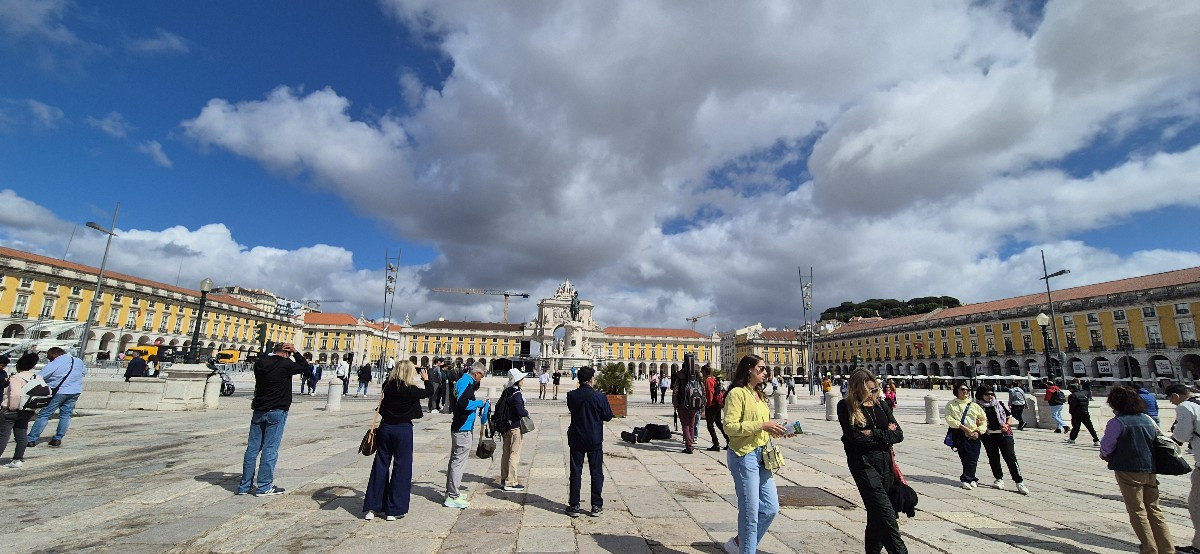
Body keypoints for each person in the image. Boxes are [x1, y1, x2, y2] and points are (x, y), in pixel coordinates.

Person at [722, 354, 787, 554]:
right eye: (761, 368)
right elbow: (729, 427)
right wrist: (762, 425)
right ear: (749, 369)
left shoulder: (760, 395)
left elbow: (762, 427)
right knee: (750, 513)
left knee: (770, 508)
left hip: (762, 455)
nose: (765, 372)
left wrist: (779, 430)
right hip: (744, 455)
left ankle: (738, 544)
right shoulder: (737, 394)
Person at [838, 369, 907, 554]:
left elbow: (899, 435)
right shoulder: (845, 406)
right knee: (887, 515)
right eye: (869, 390)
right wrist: (885, 436)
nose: (873, 393)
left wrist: (872, 433)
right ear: (857, 389)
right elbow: (854, 438)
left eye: (875, 389)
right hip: (863, 464)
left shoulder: (881, 405)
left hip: (886, 464)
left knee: (877, 514)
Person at [1100, 385, 1174, 554]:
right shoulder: (1147, 419)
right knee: (1155, 509)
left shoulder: (1117, 422)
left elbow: (1106, 447)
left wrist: (1105, 454)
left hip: (1128, 469)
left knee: (1137, 510)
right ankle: (1167, 549)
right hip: (1149, 468)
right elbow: (1159, 438)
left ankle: (1149, 549)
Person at [237, 342, 311, 496]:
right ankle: (264, 486)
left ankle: (244, 486)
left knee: (252, 449)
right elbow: (305, 367)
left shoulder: (260, 364)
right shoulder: (285, 364)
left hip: (259, 410)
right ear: (286, 353)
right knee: (270, 449)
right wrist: (295, 351)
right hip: (277, 410)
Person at [363, 361, 432, 521]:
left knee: (380, 465)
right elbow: (429, 391)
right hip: (403, 430)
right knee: (402, 467)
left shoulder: (387, 386)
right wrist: (426, 379)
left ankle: (372, 507)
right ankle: (393, 510)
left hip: (386, 428)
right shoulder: (411, 390)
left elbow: (390, 380)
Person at [566, 366, 613, 518]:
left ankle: (574, 505)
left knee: (575, 472)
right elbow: (608, 416)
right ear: (592, 379)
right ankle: (596, 505)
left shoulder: (571, 395)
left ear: (579, 379)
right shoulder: (599, 396)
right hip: (594, 438)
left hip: (577, 437)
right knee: (596, 472)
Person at [445, 362, 488, 509]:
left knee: (455, 461)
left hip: (460, 426)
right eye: (482, 376)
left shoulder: (463, 381)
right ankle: (453, 496)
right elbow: (462, 404)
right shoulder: (466, 383)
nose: (481, 379)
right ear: (477, 373)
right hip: (462, 427)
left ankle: (452, 491)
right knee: (458, 462)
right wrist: (479, 403)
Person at [27, 347, 87, 449]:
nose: (48, 357)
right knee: (66, 415)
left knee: (44, 415)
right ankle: (57, 438)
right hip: (75, 391)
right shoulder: (78, 361)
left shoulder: (56, 362)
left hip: (59, 392)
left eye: (49, 355)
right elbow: (83, 372)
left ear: (54, 354)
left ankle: (31, 439)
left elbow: (41, 376)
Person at [975, 385, 1029, 495]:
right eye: (987, 394)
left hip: (1004, 435)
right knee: (993, 457)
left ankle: (1019, 481)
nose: (990, 396)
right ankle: (998, 478)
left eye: (991, 394)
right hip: (988, 435)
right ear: (981, 395)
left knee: (1010, 457)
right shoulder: (977, 407)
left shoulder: (998, 404)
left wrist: (1007, 425)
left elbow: (1009, 416)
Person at [945, 381, 987, 489]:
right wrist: (963, 428)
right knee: (964, 457)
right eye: (962, 389)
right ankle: (968, 478)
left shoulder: (974, 405)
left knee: (973, 457)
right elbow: (949, 418)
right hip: (960, 433)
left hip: (974, 433)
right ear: (957, 391)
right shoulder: (951, 404)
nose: (965, 391)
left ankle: (970, 478)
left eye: (967, 390)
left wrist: (978, 431)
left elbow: (983, 420)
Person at [0, 353, 39, 468]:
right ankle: (18, 459)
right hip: (27, 410)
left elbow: (15, 394)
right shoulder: (36, 377)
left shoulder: (16, 378)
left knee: (3, 436)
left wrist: (11, 408)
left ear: (18, 365)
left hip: (12, 411)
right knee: (21, 435)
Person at [497, 368, 530, 492]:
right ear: (518, 380)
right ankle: (511, 482)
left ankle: (504, 479)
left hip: (505, 426)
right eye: (522, 378)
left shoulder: (506, 391)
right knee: (514, 453)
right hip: (515, 427)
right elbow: (520, 411)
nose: (523, 380)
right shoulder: (517, 394)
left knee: (506, 453)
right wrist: (526, 412)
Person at [672, 354, 702, 454]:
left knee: (685, 425)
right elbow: (702, 389)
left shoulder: (679, 376)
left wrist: (675, 404)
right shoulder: (696, 376)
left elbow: (675, 391)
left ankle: (689, 446)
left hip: (682, 404)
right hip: (694, 403)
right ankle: (691, 443)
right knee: (692, 424)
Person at [702, 364, 728, 451]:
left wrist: (708, 404)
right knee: (718, 423)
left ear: (705, 372)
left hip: (712, 405)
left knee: (710, 425)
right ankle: (729, 440)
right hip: (717, 404)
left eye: (702, 371)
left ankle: (716, 444)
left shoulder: (708, 381)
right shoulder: (714, 379)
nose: (701, 373)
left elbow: (710, 392)